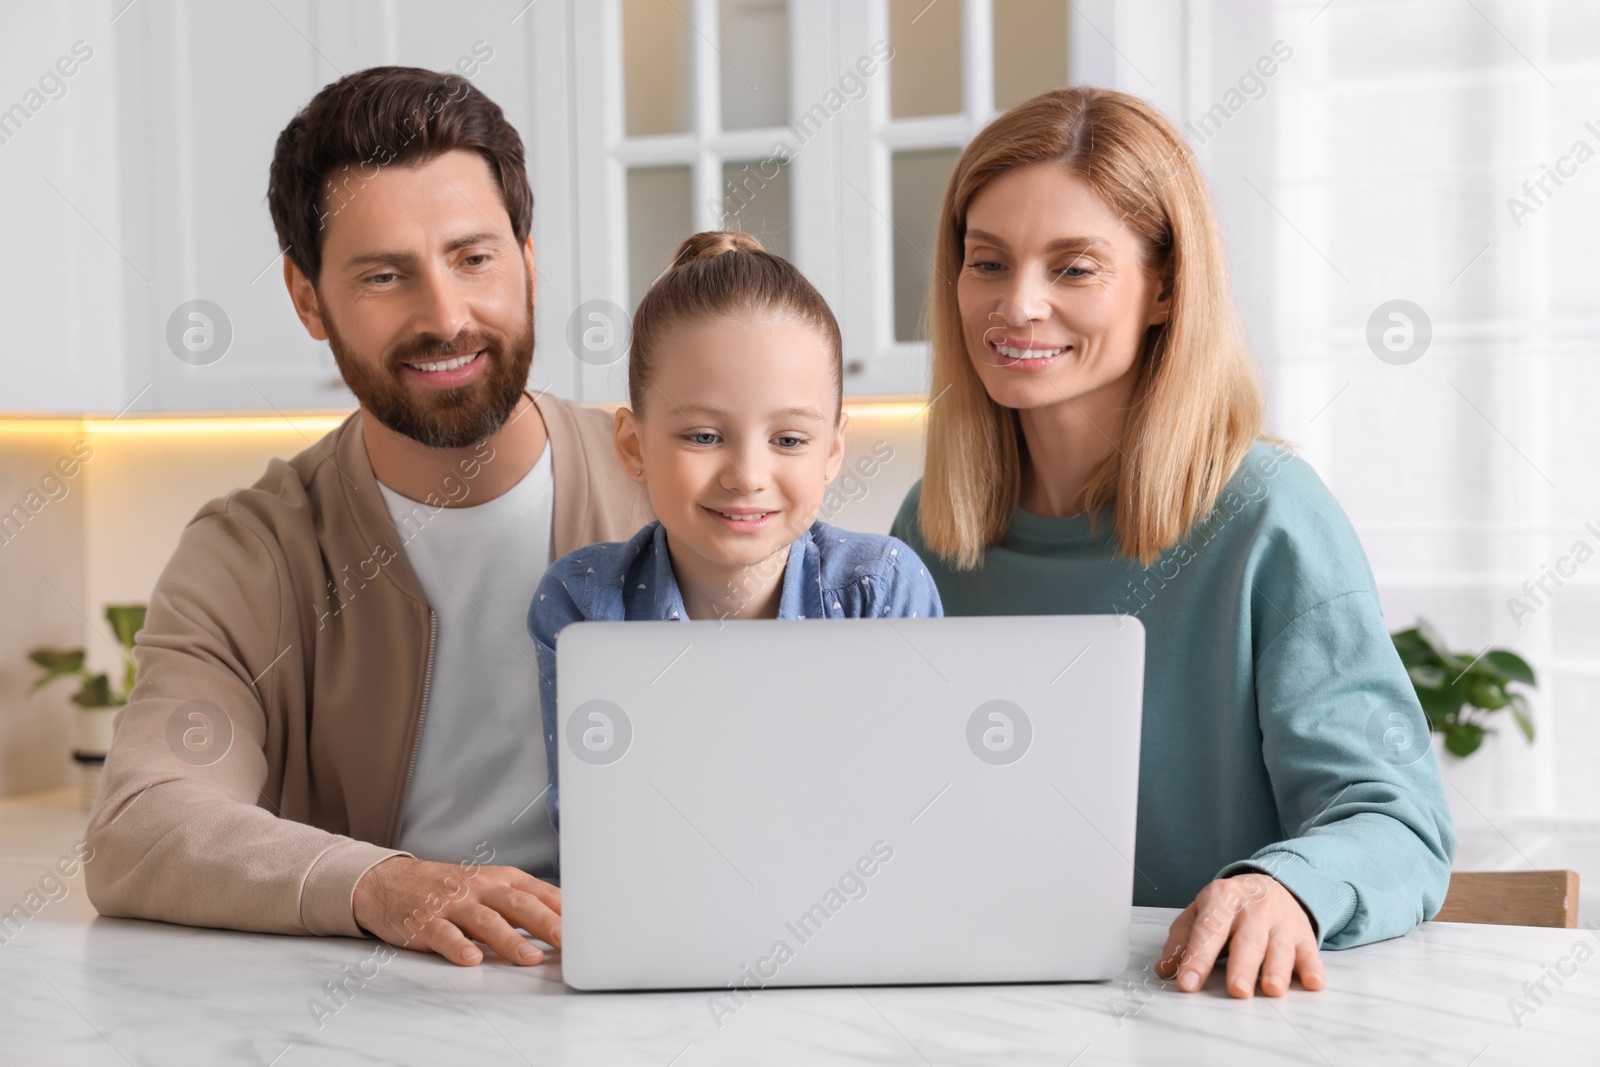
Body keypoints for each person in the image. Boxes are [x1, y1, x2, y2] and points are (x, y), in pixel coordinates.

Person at [889, 87, 1457, 999]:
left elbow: (1399, 820)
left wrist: (1287, 886)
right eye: (987, 262)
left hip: (1214, 1016)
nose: (1017, 304)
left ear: (1164, 288)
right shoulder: (928, 529)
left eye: (1074, 268)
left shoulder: (1268, 515)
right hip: (987, 1014)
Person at [85, 67, 650, 970]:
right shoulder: (251, 552)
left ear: (529, 260)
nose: (447, 316)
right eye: (385, 274)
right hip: (373, 1012)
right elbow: (141, 824)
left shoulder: (667, 486)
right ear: (308, 298)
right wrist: (384, 884)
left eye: (475, 257)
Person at [529, 231, 943, 826]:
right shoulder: (583, 601)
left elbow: (917, 816)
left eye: (790, 440)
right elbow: (594, 830)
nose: (748, 476)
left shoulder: (879, 589)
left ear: (832, 450)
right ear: (632, 444)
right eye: (703, 436)